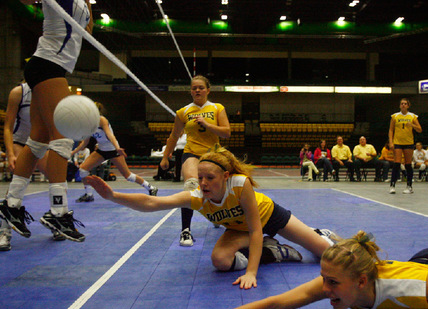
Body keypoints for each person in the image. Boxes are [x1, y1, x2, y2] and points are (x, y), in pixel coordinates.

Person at [86, 146, 336, 290]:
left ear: (226, 176)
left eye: (210, 178)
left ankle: (318, 233)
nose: (203, 183)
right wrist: (112, 195)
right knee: (220, 260)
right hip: (239, 230)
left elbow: (256, 229)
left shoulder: (240, 185)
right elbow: (152, 202)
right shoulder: (197, 196)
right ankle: (277, 251)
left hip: (268, 217)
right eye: (200, 177)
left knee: (326, 253)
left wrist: (252, 273)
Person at [178, 231, 428, 309]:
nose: (324, 290)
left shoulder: (406, 289)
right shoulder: (339, 281)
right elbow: (276, 305)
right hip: (421, 261)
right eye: (323, 280)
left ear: (361, 281)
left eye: (332, 283)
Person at [0, 0, 93, 243]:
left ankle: (12, 204)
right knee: (63, 137)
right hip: (48, 65)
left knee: (38, 139)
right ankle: (58, 212)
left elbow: (87, 31)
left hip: (54, 68)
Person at [160, 75, 231, 247]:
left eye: (200, 87)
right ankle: (186, 230)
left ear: (208, 90)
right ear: (191, 91)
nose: (197, 90)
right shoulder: (183, 112)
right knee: (191, 186)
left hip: (213, 155)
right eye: (194, 88)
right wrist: (165, 156)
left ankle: (217, 216)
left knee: (218, 189)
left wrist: (207, 125)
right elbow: (174, 136)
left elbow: (226, 132)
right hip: (191, 153)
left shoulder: (217, 108)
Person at [0, 83, 60, 251]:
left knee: (57, 179)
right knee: (17, 185)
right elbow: (8, 127)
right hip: (20, 143)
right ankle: (4, 232)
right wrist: (10, 154)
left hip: (41, 144)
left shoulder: (50, 92)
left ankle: (55, 220)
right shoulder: (18, 92)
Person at [71, 102, 157, 203]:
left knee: (128, 176)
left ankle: (151, 187)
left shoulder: (102, 120)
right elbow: (85, 142)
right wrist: (73, 152)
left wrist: (117, 148)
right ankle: (89, 195)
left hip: (113, 149)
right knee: (83, 170)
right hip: (101, 150)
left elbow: (110, 135)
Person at [388, 98, 422, 194]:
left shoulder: (413, 116)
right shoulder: (395, 116)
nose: (403, 105)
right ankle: (392, 185)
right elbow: (391, 130)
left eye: (405, 103)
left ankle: (409, 186)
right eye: (402, 103)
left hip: (408, 143)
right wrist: (391, 142)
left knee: (408, 164)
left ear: (408, 105)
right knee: (397, 163)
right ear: (400, 105)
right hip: (398, 142)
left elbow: (419, 129)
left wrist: (412, 125)